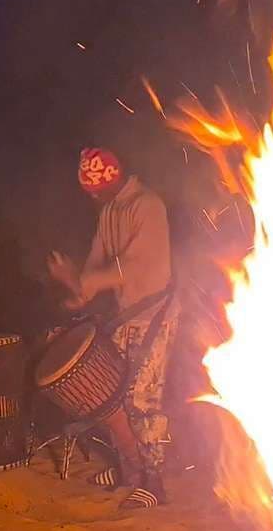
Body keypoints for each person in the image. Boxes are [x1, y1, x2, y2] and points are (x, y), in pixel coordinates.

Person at [47, 147, 177, 509]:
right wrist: (79, 291)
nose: (92, 197)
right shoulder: (109, 211)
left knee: (142, 401)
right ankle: (130, 471)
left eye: (95, 191)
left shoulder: (147, 206)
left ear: (110, 180)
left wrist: (83, 282)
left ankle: (155, 483)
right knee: (113, 397)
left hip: (154, 316)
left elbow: (134, 267)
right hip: (126, 315)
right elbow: (96, 261)